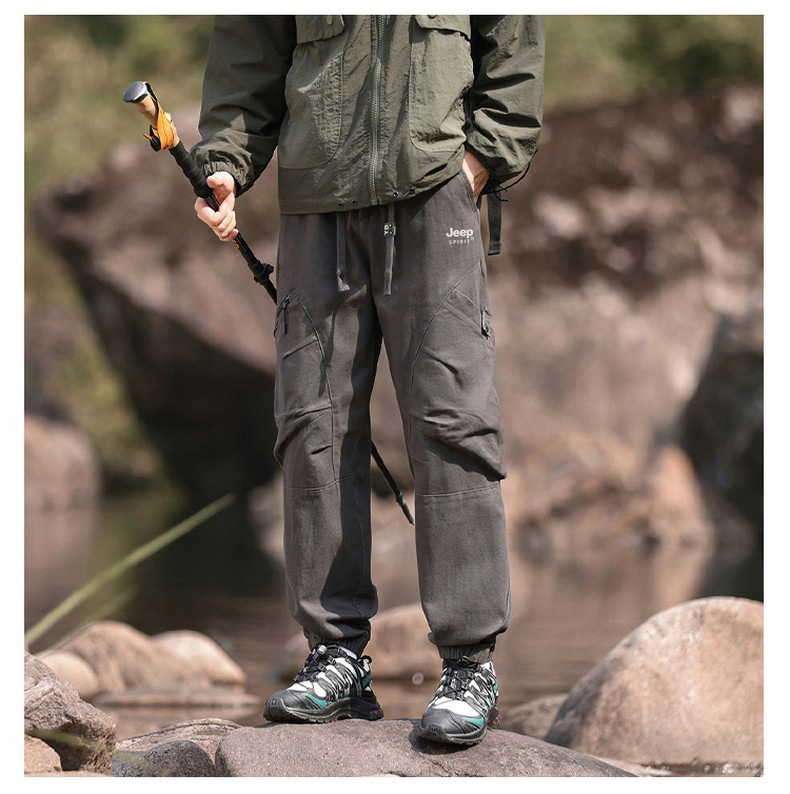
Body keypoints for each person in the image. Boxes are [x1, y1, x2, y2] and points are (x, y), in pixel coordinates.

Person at [192, 15, 544, 746]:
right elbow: (248, 53)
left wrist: (478, 163)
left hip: (436, 193)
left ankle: (469, 665)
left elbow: (513, 47)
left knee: (453, 422)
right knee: (312, 427)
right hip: (315, 202)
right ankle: (336, 659)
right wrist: (224, 162)